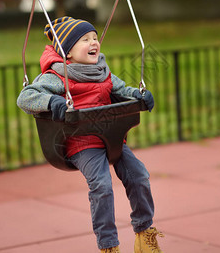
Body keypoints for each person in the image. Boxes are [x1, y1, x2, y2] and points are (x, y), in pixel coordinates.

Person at [17, 16, 163, 253]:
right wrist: (51, 100)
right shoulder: (56, 76)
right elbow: (25, 98)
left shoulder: (101, 71)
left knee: (139, 176)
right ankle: (109, 246)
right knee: (102, 186)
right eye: (85, 39)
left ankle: (144, 232)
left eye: (94, 37)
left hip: (113, 138)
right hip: (82, 143)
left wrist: (139, 95)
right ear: (68, 52)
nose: (93, 42)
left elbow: (122, 90)